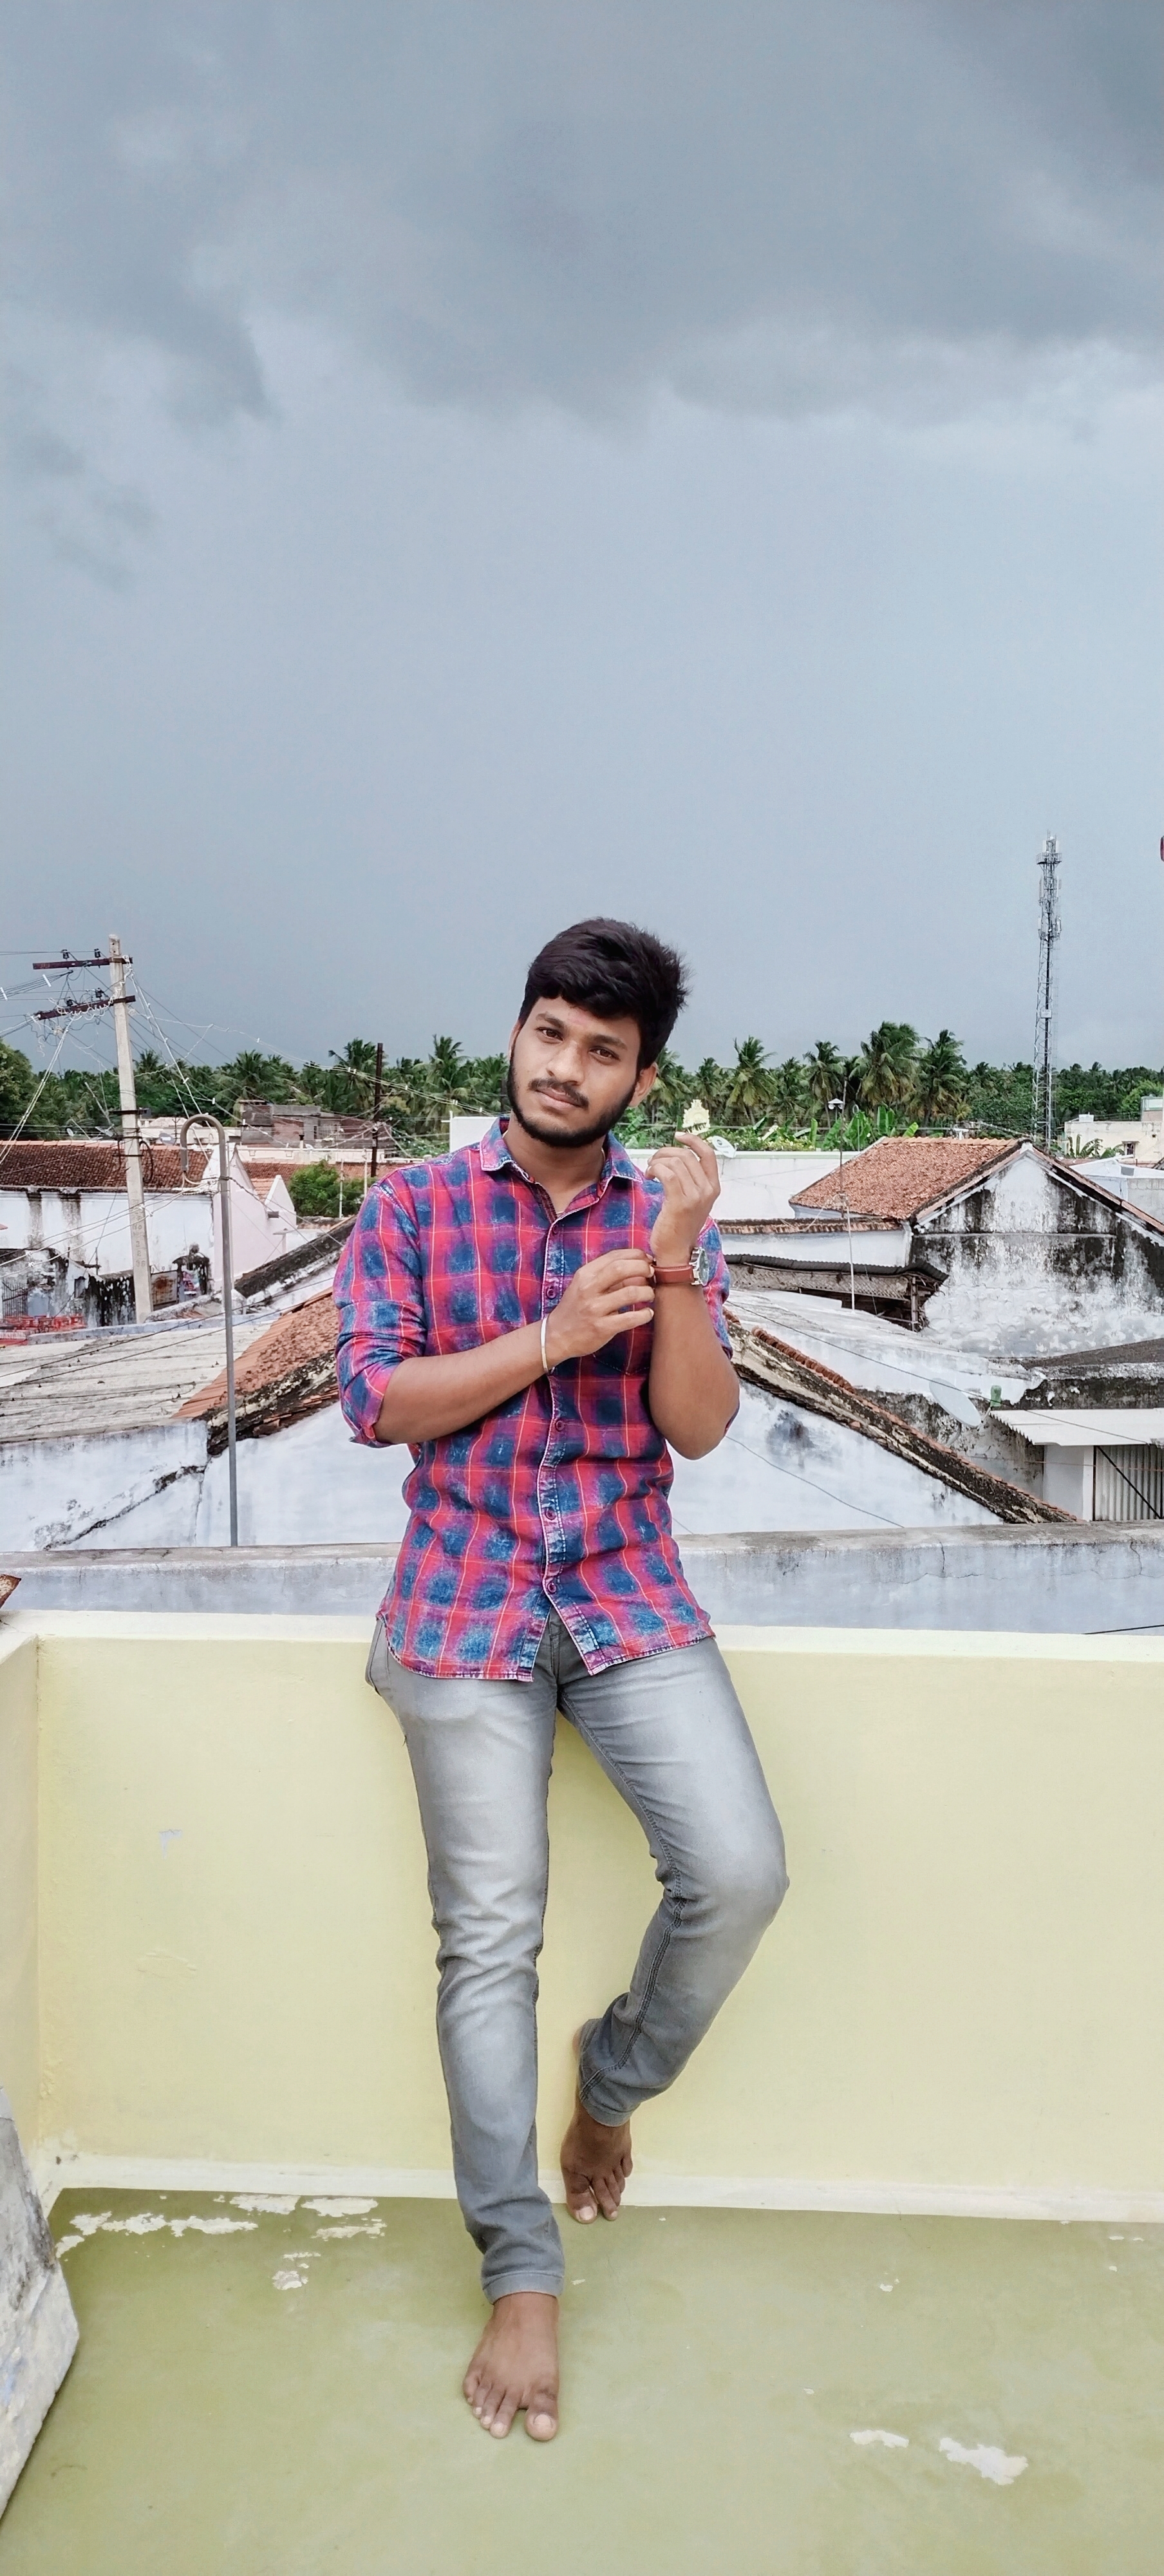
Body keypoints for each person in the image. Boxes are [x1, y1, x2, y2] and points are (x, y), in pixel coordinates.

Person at [335, 917, 787, 2443]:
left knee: (739, 1870)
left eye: (602, 1050)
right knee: (487, 1941)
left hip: (623, 1590)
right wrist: (547, 1334)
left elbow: (698, 1427)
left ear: (638, 1078)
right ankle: (519, 2267)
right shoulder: (412, 1205)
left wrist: (672, 1265)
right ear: (517, 1032)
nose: (564, 1066)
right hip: (461, 1600)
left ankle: (612, 2082)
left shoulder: (668, 1214)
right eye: (549, 1032)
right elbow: (378, 1400)